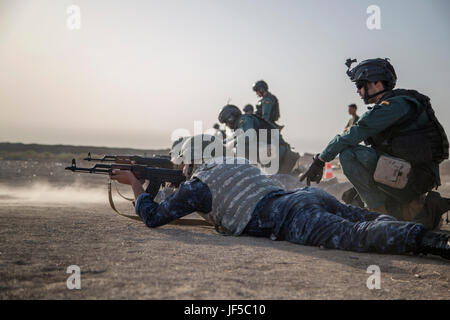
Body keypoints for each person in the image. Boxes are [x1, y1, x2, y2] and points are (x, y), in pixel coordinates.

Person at [110, 135, 450, 260]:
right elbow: (208, 193)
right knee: (365, 218)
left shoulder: (199, 186)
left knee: (359, 237)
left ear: (192, 159)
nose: (183, 170)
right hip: (304, 197)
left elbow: (153, 218)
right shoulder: (235, 162)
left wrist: (136, 186)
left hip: (290, 217)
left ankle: (436, 243)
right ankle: (421, 231)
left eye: (184, 164)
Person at [300, 58, 450, 230]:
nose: (358, 91)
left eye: (360, 84)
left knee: (349, 154)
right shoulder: (394, 103)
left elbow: (353, 134)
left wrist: (320, 160)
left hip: (415, 177)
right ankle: (399, 209)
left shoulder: (394, 106)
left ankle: (380, 215)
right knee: (353, 199)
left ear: (377, 83)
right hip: (405, 171)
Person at [218, 104, 299, 174]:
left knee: (241, 145)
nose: (226, 125)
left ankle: (245, 173)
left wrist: (232, 143)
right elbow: (233, 138)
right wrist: (220, 143)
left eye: (226, 122)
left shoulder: (245, 119)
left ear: (230, 118)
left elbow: (249, 135)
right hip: (276, 155)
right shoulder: (241, 125)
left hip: (278, 152)